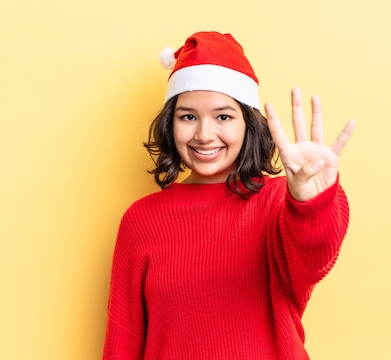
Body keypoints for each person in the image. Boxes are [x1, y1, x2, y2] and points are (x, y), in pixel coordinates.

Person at [103, 31, 356, 360]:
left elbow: (314, 255)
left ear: (248, 124)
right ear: (170, 124)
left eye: (223, 116)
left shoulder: (279, 203)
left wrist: (311, 204)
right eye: (188, 117)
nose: (204, 135)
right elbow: (123, 341)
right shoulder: (142, 219)